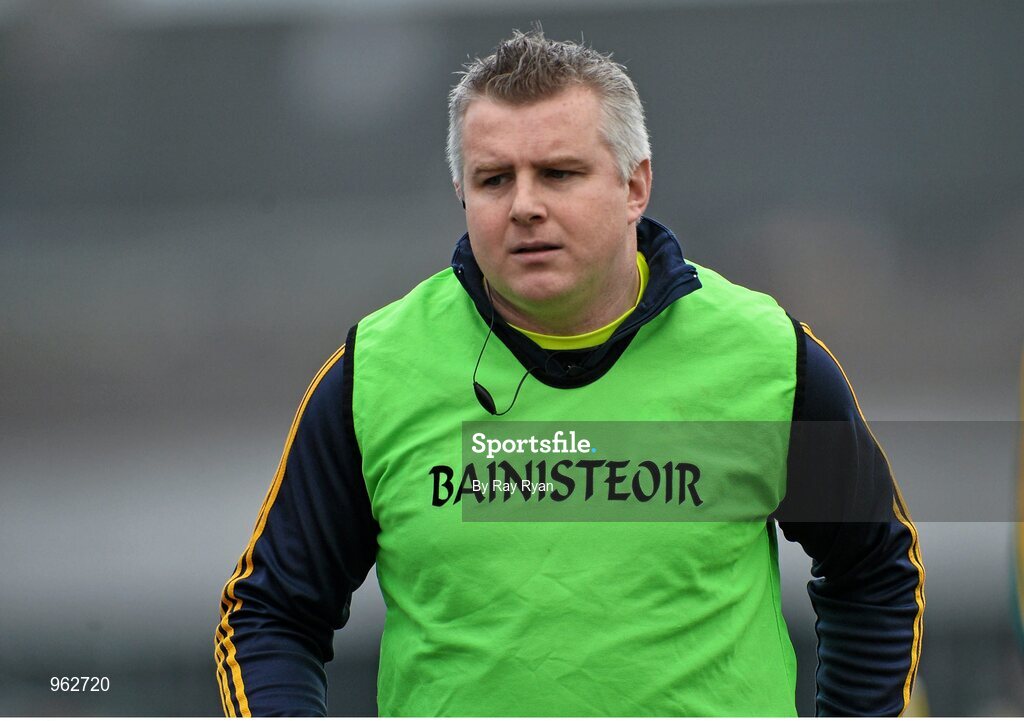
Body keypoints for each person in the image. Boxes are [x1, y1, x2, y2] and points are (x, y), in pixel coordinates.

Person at [215, 29, 925, 716]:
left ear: (634, 185)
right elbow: (270, 613)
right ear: (464, 193)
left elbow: (875, 572)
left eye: (559, 172)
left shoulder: (767, 358)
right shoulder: (373, 373)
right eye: (495, 179)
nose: (525, 205)